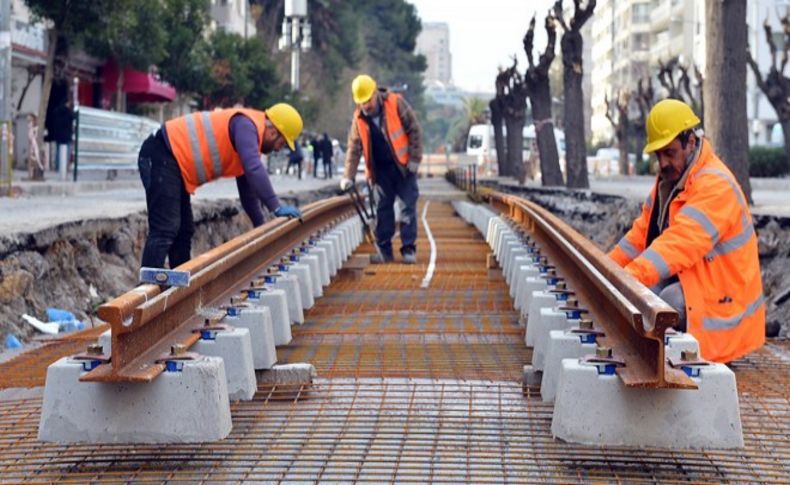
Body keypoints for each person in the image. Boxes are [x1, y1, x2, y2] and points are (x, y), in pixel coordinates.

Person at [608, 99, 764, 363]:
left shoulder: (715, 184)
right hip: (701, 279)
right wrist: (605, 269)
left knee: (662, 300)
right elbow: (640, 236)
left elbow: (679, 243)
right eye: (658, 155)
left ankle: (678, 358)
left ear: (691, 141)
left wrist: (627, 280)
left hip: (728, 304)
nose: (663, 163)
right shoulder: (672, 181)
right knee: (648, 295)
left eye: (670, 152)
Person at [138, 103, 303, 269]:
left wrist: (261, 227)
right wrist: (275, 206)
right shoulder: (246, 126)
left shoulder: (250, 137)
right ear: (273, 132)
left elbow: (248, 193)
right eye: (281, 144)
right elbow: (254, 168)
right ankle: (147, 287)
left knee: (184, 230)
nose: (277, 149)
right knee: (165, 228)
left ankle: (179, 286)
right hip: (161, 153)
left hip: (172, 162)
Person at [340, 74, 423, 264]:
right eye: (361, 103)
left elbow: (414, 130)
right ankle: (384, 251)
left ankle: (408, 248)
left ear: (376, 92)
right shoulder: (359, 119)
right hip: (380, 171)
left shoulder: (396, 103)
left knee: (407, 208)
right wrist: (348, 176)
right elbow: (354, 149)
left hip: (403, 167)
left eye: (368, 100)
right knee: (382, 210)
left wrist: (415, 158)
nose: (366, 106)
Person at [49, 100, 74, 181]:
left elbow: (53, 122)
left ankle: (57, 167)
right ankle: (63, 168)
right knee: (66, 153)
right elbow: (72, 121)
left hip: (58, 134)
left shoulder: (56, 111)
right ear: (67, 103)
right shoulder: (68, 112)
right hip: (66, 135)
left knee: (58, 151)